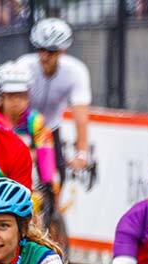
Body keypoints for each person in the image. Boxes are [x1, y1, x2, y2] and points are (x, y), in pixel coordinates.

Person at [17, 18, 92, 180]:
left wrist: (82, 154)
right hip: (22, 128)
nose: (44, 56)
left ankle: (53, 204)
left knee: (55, 179)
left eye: (51, 51)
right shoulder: (24, 66)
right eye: (41, 49)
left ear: (62, 50)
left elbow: (81, 118)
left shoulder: (76, 71)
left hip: (50, 129)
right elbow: (9, 107)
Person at [0, 61, 57, 224]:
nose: (16, 101)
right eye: (11, 95)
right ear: (1, 96)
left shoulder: (35, 121)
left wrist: (48, 182)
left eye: (21, 95)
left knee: (36, 203)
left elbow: (45, 151)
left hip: (27, 180)